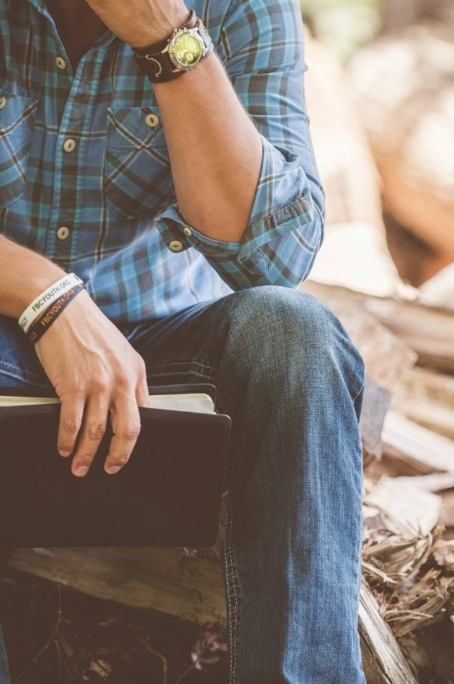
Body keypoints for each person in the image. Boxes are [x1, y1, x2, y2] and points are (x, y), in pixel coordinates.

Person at [0, 0, 366, 682]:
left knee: (297, 339)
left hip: (165, 363)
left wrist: (169, 40)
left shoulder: (243, 8)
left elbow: (273, 258)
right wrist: (46, 299)